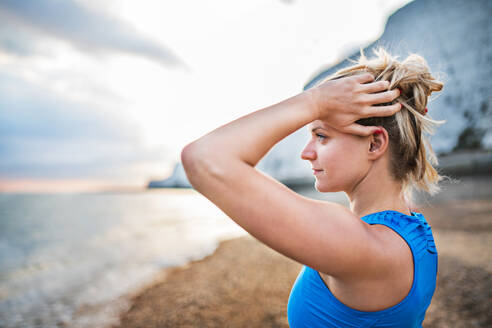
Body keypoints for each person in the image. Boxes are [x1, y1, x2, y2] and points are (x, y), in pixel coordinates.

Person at [181, 47, 444, 327]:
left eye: (321, 136)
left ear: (374, 143)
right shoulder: (412, 227)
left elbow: (203, 159)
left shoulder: (359, 244)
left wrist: (316, 101)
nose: (306, 153)